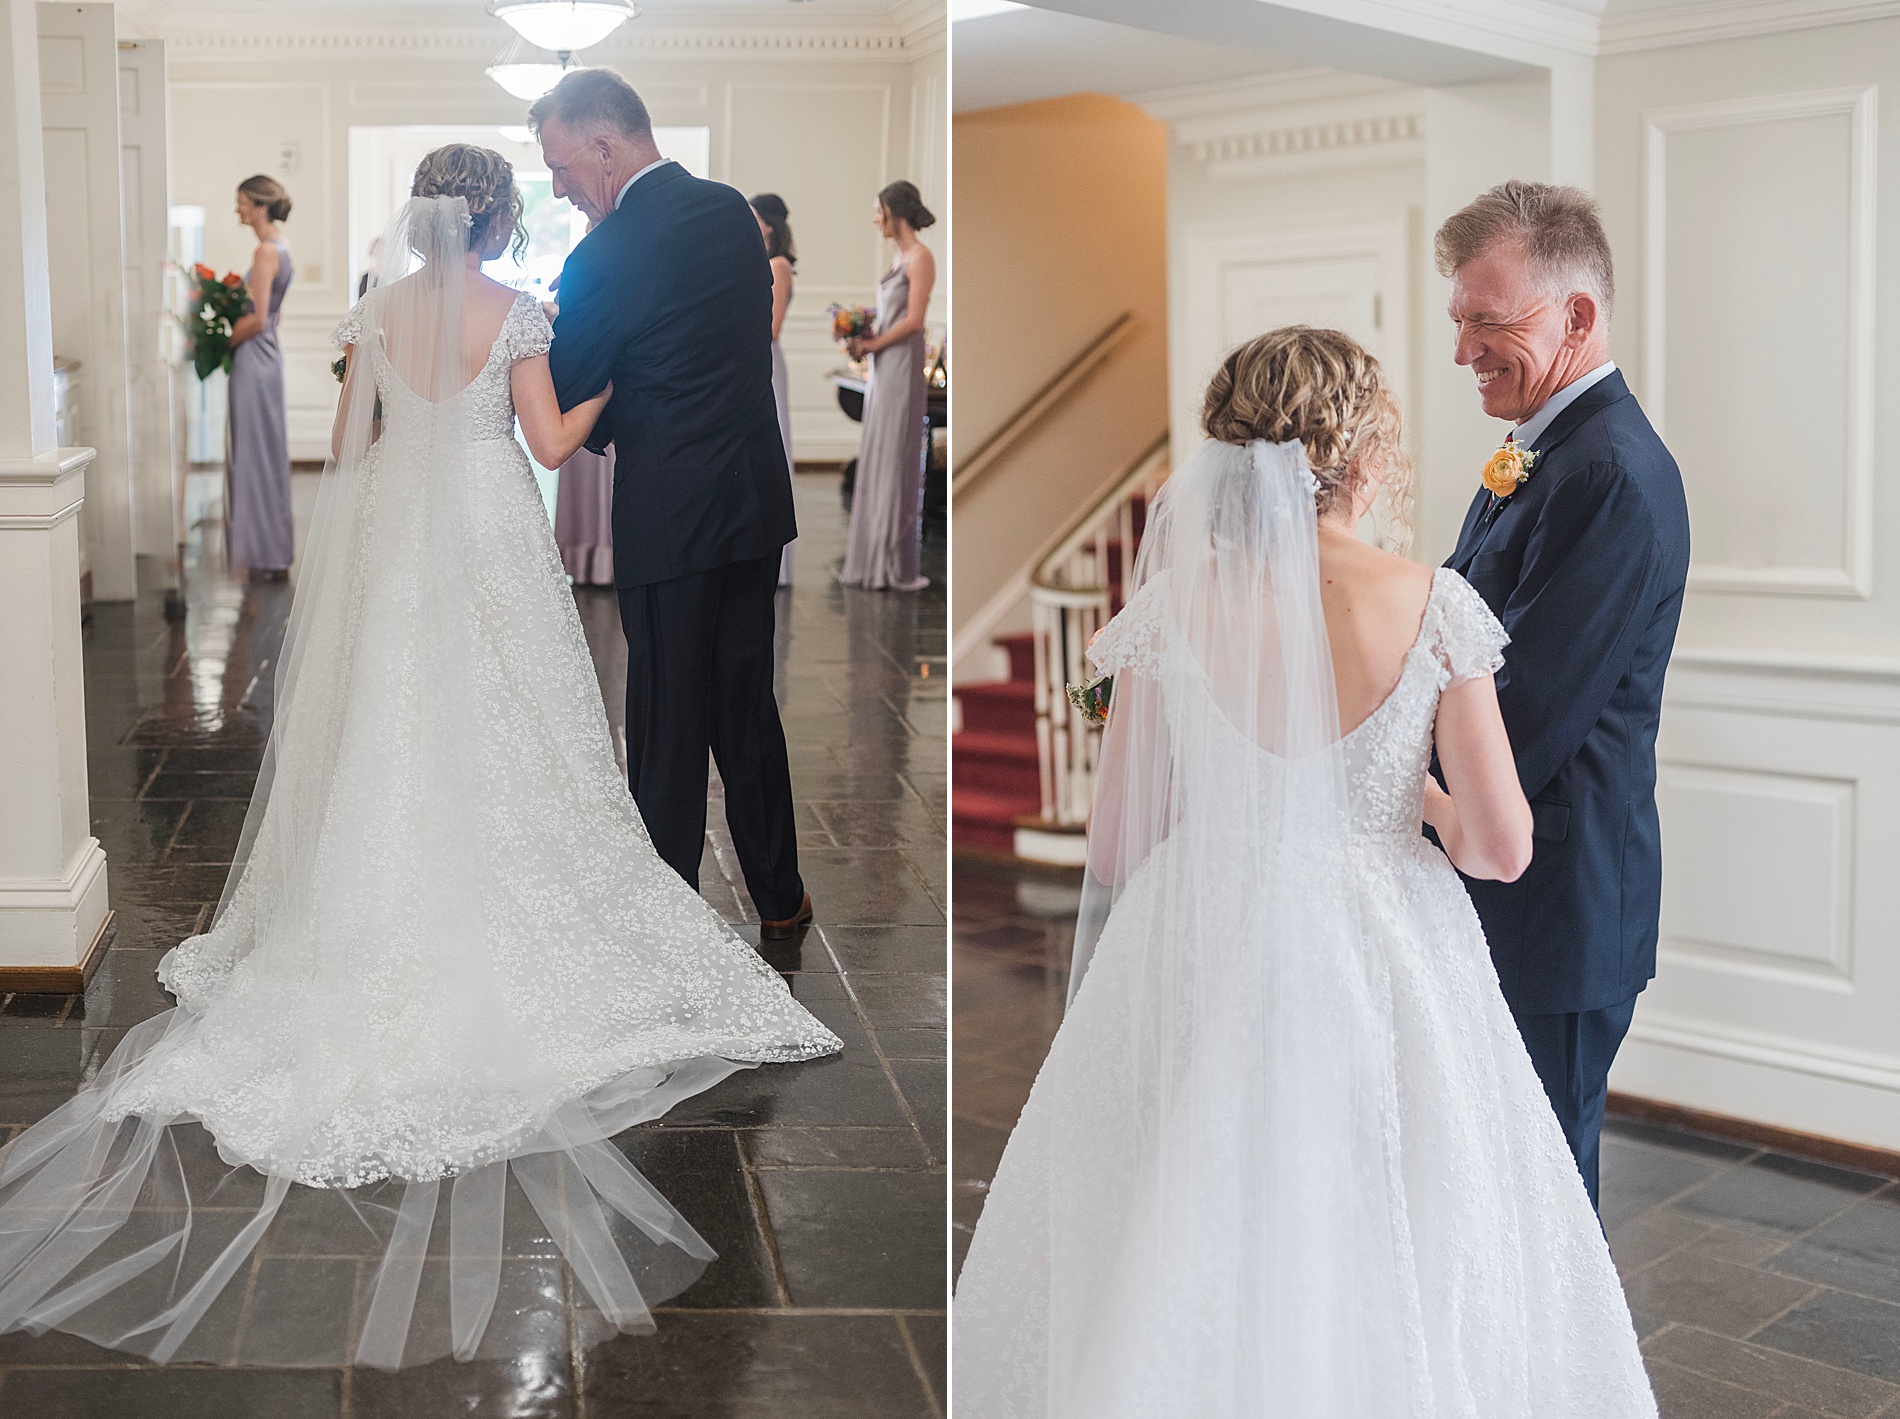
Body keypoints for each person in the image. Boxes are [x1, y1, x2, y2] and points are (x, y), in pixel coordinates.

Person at [0, 146, 840, 1370]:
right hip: (495, 533)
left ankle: (372, 906)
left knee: (391, 726)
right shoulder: (523, 313)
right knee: (520, 723)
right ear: (498, 223)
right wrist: (623, 392)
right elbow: (552, 448)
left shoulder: (374, 313)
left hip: (402, 536)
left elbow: (350, 443)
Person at [953, 328, 1656, 1418]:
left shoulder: (1169, 610)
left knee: (1185, 1193)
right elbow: (1498, 847)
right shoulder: (1432, 604)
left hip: (1208, 927)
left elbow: (1116, 847)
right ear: (1365, 455)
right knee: (1384, 1208)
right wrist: (1391, 795)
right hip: (1379, 936)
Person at [1436, 181, 1690, 1208]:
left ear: (1574, 316)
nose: (1463, 352)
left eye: (1486, 323)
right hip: (1512, 883)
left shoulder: (1612, 475)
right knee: (1488, 1177)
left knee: (1538, 1195)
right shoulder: (1544, 448)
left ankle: (1553, 1378)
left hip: (1555, 898)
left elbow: (1524, 710)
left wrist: (1369, 765)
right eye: (1458, 321)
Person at [532, 68, 811, 940]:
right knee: (745, 701)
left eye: (562, 166)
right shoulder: (733, 212)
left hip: (667, 509)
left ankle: (666, 917)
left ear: (605, 147)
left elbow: (574, 381)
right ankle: (781, 896)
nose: (559, 187)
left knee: (666, 718)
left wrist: (612, 373)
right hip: (751, 500)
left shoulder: (602, 256)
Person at [839, 181, 935, 592]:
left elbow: (914, 321)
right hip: (883, 366)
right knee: (878, 452)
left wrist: (874, 343)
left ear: (894, 211)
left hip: (901, 367)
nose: (874, 218)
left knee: (896, 455)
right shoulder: (900, 257)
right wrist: (862, 338)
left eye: (878, 210)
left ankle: (892, 563)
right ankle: (871, 557)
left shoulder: (921, 257)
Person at [227, 174, 295, 580]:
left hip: (253, 356)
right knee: (265, 451)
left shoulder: (265, 251)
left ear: (260, 206)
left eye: (241, 202)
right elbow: (275, 315)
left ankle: (263, 554)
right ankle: (269, 551)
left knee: (254, 453)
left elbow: (256, 318)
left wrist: (222, 341)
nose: (237, 209)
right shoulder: (283, 246)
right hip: (269, 354)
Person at [751, 192, 797, 586]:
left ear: (767, 224)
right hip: (753, 361)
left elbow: (772, 327)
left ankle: (777, 564)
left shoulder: (778, 266)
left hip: (766, 361)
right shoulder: (759, 263)